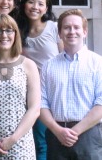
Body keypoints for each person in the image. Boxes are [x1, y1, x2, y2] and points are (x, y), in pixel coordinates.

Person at [0, 14, 40, 159]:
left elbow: (34, 109)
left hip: (21, 145)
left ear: (16, 34)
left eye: (9, 30)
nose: (4, 35)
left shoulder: (28, 65)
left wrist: (13, 139)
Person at [40, 9, 102, 160]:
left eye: (76, 27)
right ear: (60, 33)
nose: (71, 31)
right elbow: (41, 103)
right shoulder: (48, 66)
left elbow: (100, 103)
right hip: (56, 135)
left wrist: (75, 131)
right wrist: (59, 131)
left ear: (85, 32)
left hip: (89, 135)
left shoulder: (98, 63)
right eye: (66, 27)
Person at [17, 0, 64, 160]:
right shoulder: (19, 32)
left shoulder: (53, 27)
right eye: (31, 2)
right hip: (33, 91)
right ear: (24, 5)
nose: (35, 7)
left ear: (46, 8)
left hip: (55, 89)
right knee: (39, 139)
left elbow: (64, 57)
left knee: (54, 138)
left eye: (40, 4)